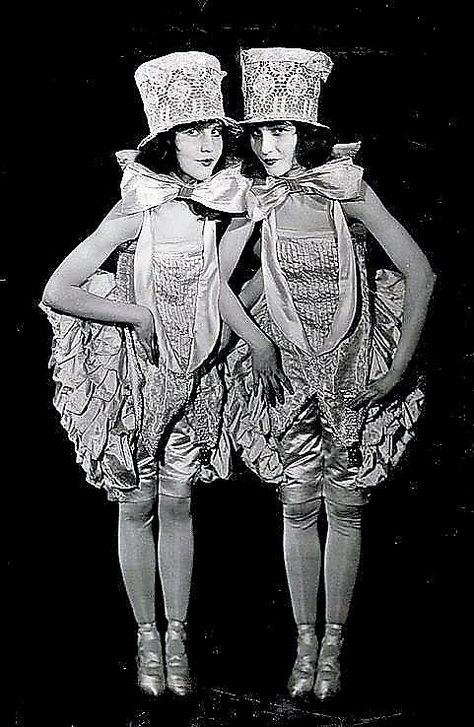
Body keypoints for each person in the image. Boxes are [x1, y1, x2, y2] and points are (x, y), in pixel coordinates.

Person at [219, 47, 435, 701]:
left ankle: (333, 646)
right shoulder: (259, 198)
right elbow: (217, 282)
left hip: (347, 366)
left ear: (307, 133)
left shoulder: (346, 190)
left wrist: (396, 364)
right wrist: (255, 339)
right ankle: (303, 642)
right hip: (290, 372)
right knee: (296, 501)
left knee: (344, 503)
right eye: (257, 131)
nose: (266, 144)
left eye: (279, 129)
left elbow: (421, 271)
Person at [41, 51, 250, 698]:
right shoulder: (138, 207)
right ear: (166, 140)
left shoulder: (225, 201)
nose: (207, 145)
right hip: (137, 378)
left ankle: (179, 636)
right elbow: (59, 288)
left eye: (215, 130)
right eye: (191, 132)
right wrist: (133, 313)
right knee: (136, 499)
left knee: (179, 499)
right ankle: (146, 637)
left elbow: (222, 278)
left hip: (194, 371)